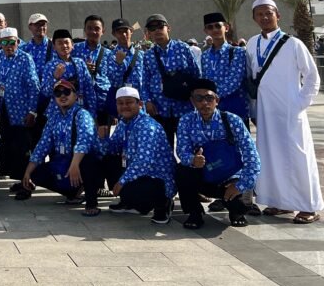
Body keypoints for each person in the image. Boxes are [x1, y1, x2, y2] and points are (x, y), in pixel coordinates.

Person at [246, 0, 323, 224]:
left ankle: (309, 206)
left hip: (290, 111)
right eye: (259, 14)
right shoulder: (252, 44)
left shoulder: (293, 44)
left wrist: (299, 103)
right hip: (265, 112)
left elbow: (311, 76)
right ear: (254, 18)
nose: (264, 17)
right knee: (271, 157)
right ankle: (280, 202)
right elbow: (251, 79)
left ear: (278, 15)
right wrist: (254, 110)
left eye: (268, 13)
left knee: (299, 156)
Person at [175, 78, 261, 229]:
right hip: (205, 174)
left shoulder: (232, 120)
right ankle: (195, 213)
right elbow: (182, 150)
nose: (204, 103)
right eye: (199, 98)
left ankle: (236, 212)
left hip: (231, 176)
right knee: (182, 171)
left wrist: (240, 185)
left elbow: (252, 156)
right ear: (192, 101)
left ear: (217, 100)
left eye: (209, 98)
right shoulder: (185, 121)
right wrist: (192, 160)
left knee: (240, 205)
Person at [22, 78, 105, 216]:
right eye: (58, 93)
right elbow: (43, 145)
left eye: (66, 91)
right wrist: (27, 172)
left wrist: (74, 165)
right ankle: (73, 192)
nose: (62, 96)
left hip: (85, 160)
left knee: (88, 163)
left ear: (76, 95)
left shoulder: (82, 115)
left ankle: (91, 202)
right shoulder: (54, 118)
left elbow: (84, 141)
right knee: (36, 173)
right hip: (66, 160)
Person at [95, 86, 175, 225]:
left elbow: (143, 162)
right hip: (137, 174)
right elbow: (111, 150)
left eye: (129, 102)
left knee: (130, 185)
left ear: (140, 104)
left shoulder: (147, 126)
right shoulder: (124, 123)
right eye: (120, 103)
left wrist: (121, 182)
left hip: (156, 178)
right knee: (107, 161)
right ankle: (131, 203)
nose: (124, 106)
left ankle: (163, 203)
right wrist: (103, 139)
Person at [0, 27, 39, 194]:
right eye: (4, 42)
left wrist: (32, 111)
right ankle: (16, 179)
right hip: (3, 109)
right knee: (7, 145)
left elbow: (34, 87)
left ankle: (26, 184)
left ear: (18, 42)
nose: (8, 46)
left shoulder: (25, 58)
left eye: (11, 42)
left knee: (23, 148)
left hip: (21, 111)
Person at [140, 14, 200, 147]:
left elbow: (195, 73)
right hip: (160, 109)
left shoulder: (183, 48)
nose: (157, 31)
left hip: (183, 108)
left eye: (160, 26)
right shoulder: (148, 55)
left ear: (168, 28)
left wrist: (197, 99)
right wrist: (147, 102)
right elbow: (144, 82)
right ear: (149, 33)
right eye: (152, 29)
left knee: (189, 147)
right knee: (164, 150)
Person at [200, 13, 249, 123]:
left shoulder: (238, 52)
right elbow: (204, 80)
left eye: (218, 26)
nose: (214, 29)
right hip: (212, 111)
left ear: (226, 28)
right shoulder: (205, 56)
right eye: (210, 27)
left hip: (235, 108)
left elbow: (234, 81)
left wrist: (209, 97)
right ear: (206, 31)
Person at [42, 29, 96, 118]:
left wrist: (93, 114)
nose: (64, 46)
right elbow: (45, 92)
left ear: (72, 45)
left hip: (79, 111)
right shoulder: (50, 65)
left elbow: (89, 90)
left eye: (67, 42)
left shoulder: (80, 63)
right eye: (60, 43)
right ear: (54, 47)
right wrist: (55, 78)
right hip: (57, 113)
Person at [72, 15, 111, 126]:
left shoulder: (108, 54)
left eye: (97, 28)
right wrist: (83, 69)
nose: (93, 31)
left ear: (103, 31)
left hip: (102, 104)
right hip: (81, 104)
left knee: (102, 138)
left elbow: (113, 80)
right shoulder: (75, 50)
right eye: (89, 28)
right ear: (84, 30)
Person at [20, 13, 51, 81]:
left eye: (43, 24)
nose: (41, 27)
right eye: (37, 24)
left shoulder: (54, 46)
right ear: (29, 27)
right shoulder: (24, 49)